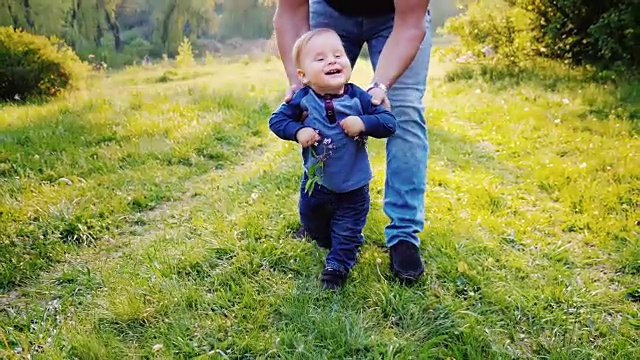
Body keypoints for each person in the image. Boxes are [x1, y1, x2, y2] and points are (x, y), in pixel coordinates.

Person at [273, 0, 433, 283]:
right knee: (314, 105)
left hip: (397, 17)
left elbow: (410, 21)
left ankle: (403, 235)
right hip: (332, 10)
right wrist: (300, 87)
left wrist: (379, 89)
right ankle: (320, 214)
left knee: (404, 110)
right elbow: (290, 10)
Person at [268, 28, 398, 290]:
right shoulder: (303, 98)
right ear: (302, 76)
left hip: (353, 185)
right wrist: (298, 130)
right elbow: (277, 120)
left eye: (338, 54)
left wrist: (363, 122)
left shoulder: (358, 97)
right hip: (316, 182)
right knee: (311, 219)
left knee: (347, 231)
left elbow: (389, 123)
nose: (332, 61)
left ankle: (337, 265)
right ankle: (319, 233)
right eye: (320, 58)